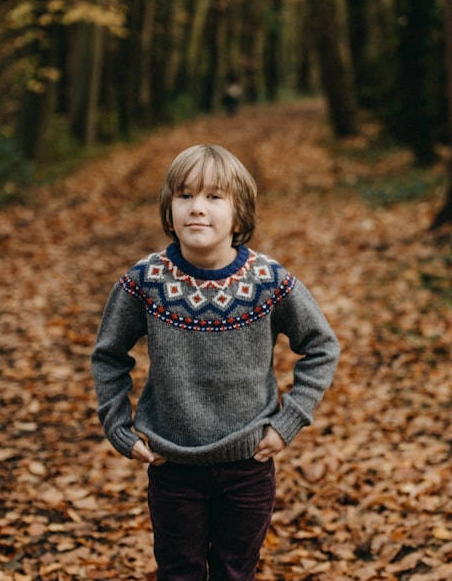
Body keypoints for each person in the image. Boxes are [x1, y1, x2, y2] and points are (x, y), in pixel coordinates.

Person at [90, 144, 340, 580]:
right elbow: (109, 355)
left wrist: (289, 422)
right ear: (169, 213)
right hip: (173, 465)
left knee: (234, 572)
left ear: (240, 217)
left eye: (214, 197)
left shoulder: (270, 283)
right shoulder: (144, 283)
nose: (197, 209)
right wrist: (117, 425)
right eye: (184, 196)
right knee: (179, 571)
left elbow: (321, 346)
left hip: (248, 464)